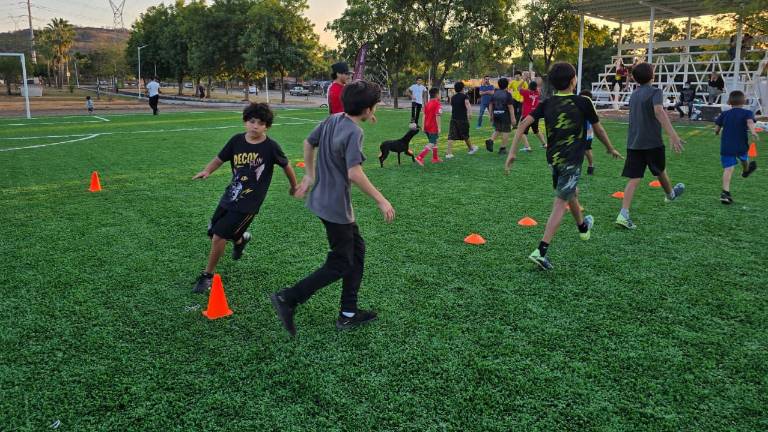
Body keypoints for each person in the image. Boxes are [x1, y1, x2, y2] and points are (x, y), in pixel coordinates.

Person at [270, 80, 395, 336]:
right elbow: (354, 173)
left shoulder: (334, 119)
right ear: (368, 109)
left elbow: (308, 142)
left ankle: (348, 314)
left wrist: (310, 175)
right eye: (375, 107)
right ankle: (288, 298)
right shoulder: (354, 132)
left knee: (357, 252)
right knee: (340, 262)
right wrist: (381, 199)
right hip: (337, 208)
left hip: (322, 201)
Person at [505, 62, 622, 271]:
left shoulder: (546, 103)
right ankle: (540, 251)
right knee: (560, 201)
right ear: (572, 80)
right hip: (571, 159)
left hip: (553, 159)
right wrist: (610, 148)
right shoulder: (583, 102)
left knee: (570, 192)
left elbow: (522, 124)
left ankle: (582, 227)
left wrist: (513, 151)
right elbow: (599, 130)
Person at [191, 103, 297, 293]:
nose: (255, 126)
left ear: (267, 126)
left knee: (219, 236)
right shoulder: (236, 141)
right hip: (231, 194)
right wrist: (207, 170)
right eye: (252, 121)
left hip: (249, 202)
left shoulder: (271, 147)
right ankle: (240, 241)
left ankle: (207, 275)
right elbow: (219, 159)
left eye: (261, 123)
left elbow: (286, 165)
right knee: (213, 230)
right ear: (245, 121)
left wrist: (294, 186)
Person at [615, 62, 686, 230]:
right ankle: (670, 194)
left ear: (634, 78)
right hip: (652, 142)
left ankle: (623, 213)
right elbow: (659, 111)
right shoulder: (656, 91)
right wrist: (673, 134)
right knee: (660, 170)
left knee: (635, 178)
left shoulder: (634, 94)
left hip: (634, 143)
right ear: (652, 76)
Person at [714, 90, 759, 204]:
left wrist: (717, 132)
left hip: (727, 146)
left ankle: (725, 193)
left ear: (729, 101)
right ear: (744, 101)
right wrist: (753, 132)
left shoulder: (724, 114)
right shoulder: (747, 113)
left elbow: (717, 127)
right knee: (744, 159)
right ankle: (746, 171)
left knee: (728, 169)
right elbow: (750, 122)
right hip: (741, 145)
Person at [446, 81, 478, 158]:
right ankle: (471, 149)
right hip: (463, 119)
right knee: (465, 135)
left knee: (451, 135)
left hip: (453, 118)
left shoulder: (453, 97)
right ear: (462, 88)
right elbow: (467, 105)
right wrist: (470, 115)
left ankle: (449, 153)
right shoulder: (464, 96)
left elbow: (452, 106)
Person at [485, 77, 516, 155]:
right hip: (505, 115)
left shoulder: (494, 93)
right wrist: (513, 118)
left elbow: (491, 104)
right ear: (507, 85)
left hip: (496, 114)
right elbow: (510, 107)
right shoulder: (507, 94)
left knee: (498, 129)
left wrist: (491, 115)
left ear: (498, 85)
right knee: (506, 131)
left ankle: (490, 140)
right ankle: (503, 148)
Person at [415, 87, 443, 165]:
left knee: (435, 141)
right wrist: (439, 127)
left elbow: (424, 115)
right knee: (432, 143)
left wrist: (423, 126)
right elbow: (438, 115)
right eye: (440, 94)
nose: (440, 95)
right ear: (437, 95)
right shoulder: (437, 103)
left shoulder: (428, 103)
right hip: (433, 127)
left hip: (427, 126)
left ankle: (435, 158)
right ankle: (420, 157)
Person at [519, 80, 547, 151]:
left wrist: (524, 80)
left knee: (521, 131)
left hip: (527, 115)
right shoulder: (537, 93)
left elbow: (518, 88)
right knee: (536, 130)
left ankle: (527, 147)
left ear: (529, 86)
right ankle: (545, 144)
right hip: (535, 114)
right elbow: (536, 89)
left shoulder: (526, 92)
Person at [579, 90, 596, 174]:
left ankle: (591, 165)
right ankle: (577, 168)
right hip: (578, 132)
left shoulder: (590, 107)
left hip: (587, 133)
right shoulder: (578, 105)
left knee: (587, 150)